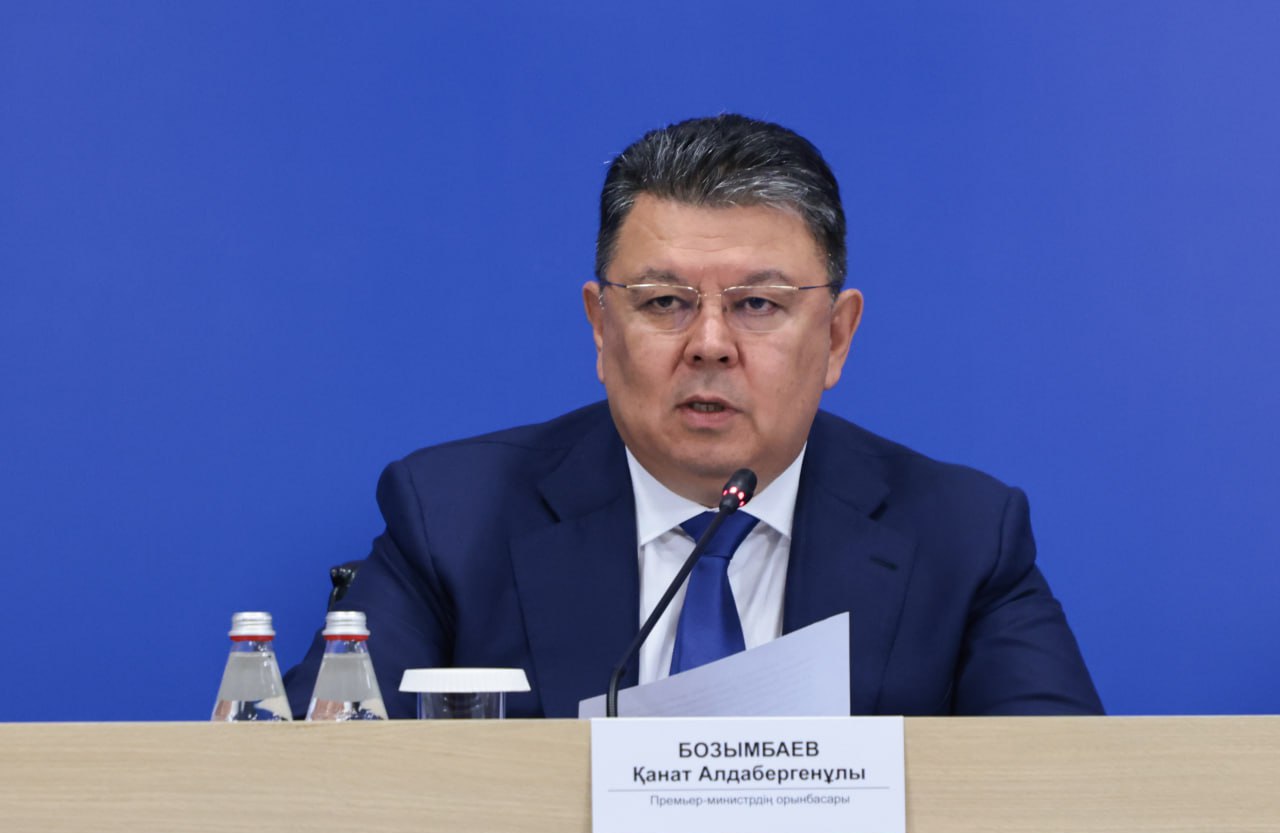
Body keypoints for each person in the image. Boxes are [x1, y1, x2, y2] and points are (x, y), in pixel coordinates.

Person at [284, 114, 1103, 719]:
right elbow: (304, 786)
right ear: (602, 328)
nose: (710, 344)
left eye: (757, 304)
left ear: (836, 336)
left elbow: (1065, 797)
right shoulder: (451, 518)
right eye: (665, 302)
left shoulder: (962, 537)